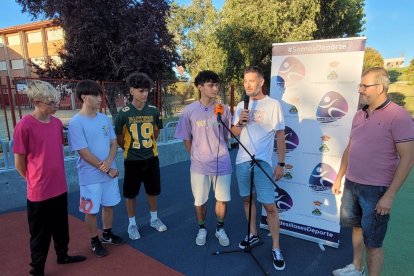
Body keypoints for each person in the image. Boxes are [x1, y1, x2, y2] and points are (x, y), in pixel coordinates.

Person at [332, 67, 414, 276]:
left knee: (374, 243)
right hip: (352, 184)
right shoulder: (359, 115)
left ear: (379, 87)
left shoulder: (399, 115)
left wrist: (390, 195)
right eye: (360, 85)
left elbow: (408, 158)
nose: (360, 90)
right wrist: (340, 176)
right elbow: (350, 148)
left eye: (364, 85)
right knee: (356, 228)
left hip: (377, 189)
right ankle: (356, 268)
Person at [13, 80, 86, 276]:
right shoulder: (24, 126)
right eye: (51, 103)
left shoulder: (56, 124)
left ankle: (63, 255)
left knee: (61, 226)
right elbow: (19, 163)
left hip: (59, 187)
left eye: (56, 102)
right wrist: (32, 181)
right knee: (40, 234)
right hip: (38, 192)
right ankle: (37, 269)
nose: (56, 106)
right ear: (37, 102)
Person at [231, 66, 286, 271]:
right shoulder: (240, 105)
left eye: (251, 81)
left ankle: (276, 247)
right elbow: (233, 134)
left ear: (261, 82)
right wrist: (240, 121)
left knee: (269, 206)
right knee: (247, 199)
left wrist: (280, 163)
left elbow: (280, 136)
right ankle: (252, 234)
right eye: (245, 81)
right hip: (242, 161)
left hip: (263, 162)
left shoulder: (273, 105)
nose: (247, 85)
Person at [175, 70, 232, 247]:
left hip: (222, 162)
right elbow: (186, 137)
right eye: (210, 85)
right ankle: (202, 228)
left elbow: (226, 135)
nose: (215, 88)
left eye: (216, 85)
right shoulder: (189, 111)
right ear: (200, 87)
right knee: (199, 201)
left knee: (222, 199)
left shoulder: (223, 109)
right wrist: (194, 155)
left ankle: (220, 229)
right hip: (199, 165)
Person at [68, 80, 124, 258]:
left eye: (100, 94)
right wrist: (107, 168)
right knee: (90, 211)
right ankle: (94, 240)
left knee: (109, 206)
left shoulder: (104, 118)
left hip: (109, 173)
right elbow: (84, 153)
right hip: (90, 177)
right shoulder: (76, 123)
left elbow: (114, 143)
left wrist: (109, 163)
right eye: (96, 95)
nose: (101, 98)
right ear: (84, 97)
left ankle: (107, 234)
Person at [114, 72, 167, 240]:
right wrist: (131, 148)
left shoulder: (153, 111)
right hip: (132, 160)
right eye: (141, 91)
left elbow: (156, 132)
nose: (144, 94)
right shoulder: (123, 113)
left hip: (151, 157)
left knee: (152, 191)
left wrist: (146, 145)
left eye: (146, 90)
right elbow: (120, 138)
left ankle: (154, 219)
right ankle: (132, 224)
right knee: (131, 194)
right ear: (131, 91)